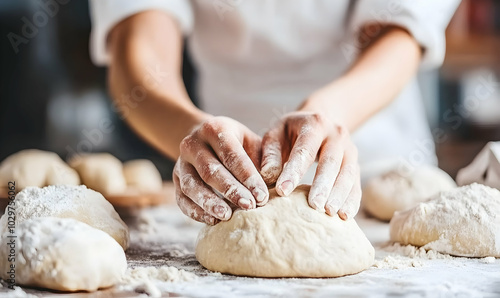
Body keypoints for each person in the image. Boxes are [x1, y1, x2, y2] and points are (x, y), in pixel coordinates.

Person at [89, 0, 460, 225]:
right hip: (228, 185)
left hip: (379, 167)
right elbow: (139, 44)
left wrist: (329, 113)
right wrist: (194, 133)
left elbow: (400, 34)